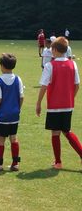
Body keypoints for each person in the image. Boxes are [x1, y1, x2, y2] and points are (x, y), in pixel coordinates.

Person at [36, 37, 82, 169]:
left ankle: (58, 162)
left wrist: (38, 103)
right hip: (68, 105)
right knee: (67, 131)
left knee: (55, 133)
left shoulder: (50, 66)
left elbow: (44, 86)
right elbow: (77, 85)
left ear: (55, 50)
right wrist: (70, 98)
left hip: (54, 107)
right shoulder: (73, 64)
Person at [0, 53, 24, 171]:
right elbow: (21, 97)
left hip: (2, 116)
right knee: (13, 138)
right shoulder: (18, 79)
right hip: (14, 115)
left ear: (2, 66)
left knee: (0, 139)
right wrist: (17, 109)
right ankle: (15, 164)